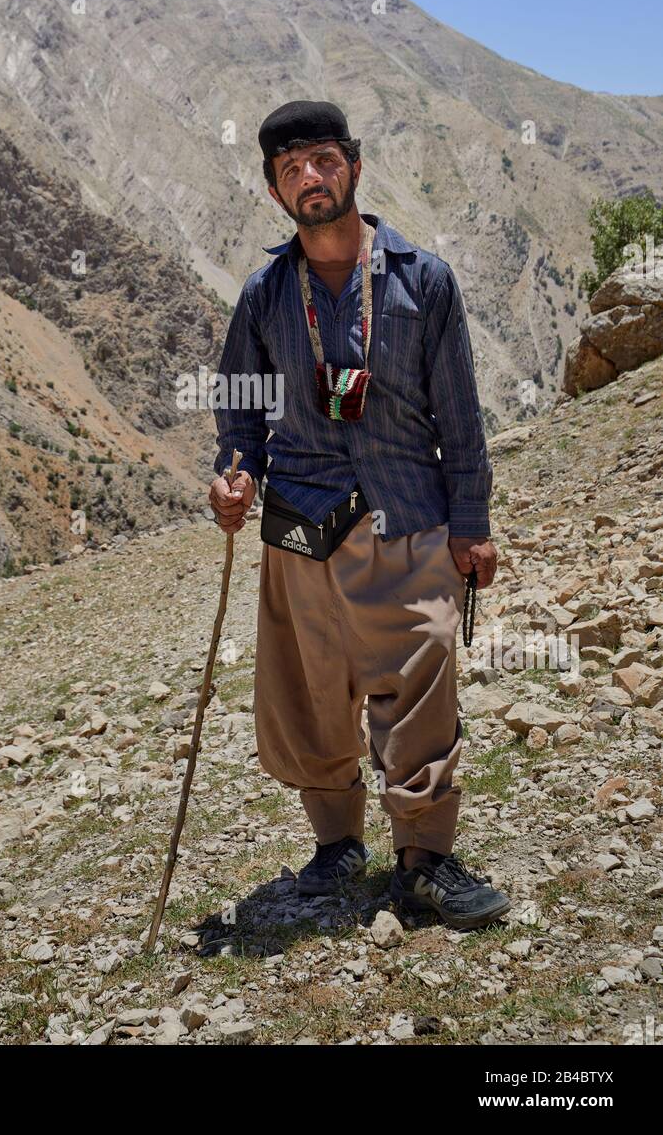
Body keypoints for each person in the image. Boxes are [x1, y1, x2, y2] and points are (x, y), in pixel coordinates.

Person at [208, 99, 510, 930]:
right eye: (290, 168)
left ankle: (422, 863)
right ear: (276, 193)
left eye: (323, 159)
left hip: (408, 521)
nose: (310, 176)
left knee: (418, 699)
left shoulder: (424, 280)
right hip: (301, 531)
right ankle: (336, 847)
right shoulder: (265, 295)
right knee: (310, 697)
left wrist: (472, 524)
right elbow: (240, 414)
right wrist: (232, 479)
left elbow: (461, 416)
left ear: (355, 167)